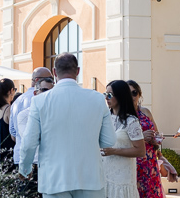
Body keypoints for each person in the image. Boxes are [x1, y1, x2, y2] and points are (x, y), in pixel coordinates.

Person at [20, 53, 117, 198]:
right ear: (78, 71)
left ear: (54, 72)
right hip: (90, 179)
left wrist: (25, 168)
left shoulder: (40, 101)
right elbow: (109, 140)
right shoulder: (97, 98)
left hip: (54, 180)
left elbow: (29, 143)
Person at [127, 80, 177, 198]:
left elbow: (156, 132)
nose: (132, 96)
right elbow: (120, 140)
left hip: (150, 160)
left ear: (139, 94)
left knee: (152, 191)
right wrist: (141, 137)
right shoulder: (123, 115)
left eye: (134, 93)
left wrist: (156, 139)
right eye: (128, 93)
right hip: (134, 161)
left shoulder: (145, 112)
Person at [102, 80, 145, 198]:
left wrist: (114, 151)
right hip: (104, 175)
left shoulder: (131, 121)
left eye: (110, 95)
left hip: (122, 178)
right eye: (105, 94)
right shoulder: (105, 118)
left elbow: (141, 151)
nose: (107, 98)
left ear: (120, 96)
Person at [17, 77, 55, 198]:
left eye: (51, 91)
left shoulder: (58, 114)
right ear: (35, 92)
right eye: (44, 90)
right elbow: (31, 141)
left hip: (54, 167)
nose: (48, 94)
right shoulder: (24, 115)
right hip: (33, 167)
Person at [9, 67, 53, 167]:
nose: (52, 81)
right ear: (37, 80)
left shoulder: (17, 101)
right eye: (49, 78)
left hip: (20, 156)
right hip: (37, 159)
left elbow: (13, 133)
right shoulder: (39, 99)